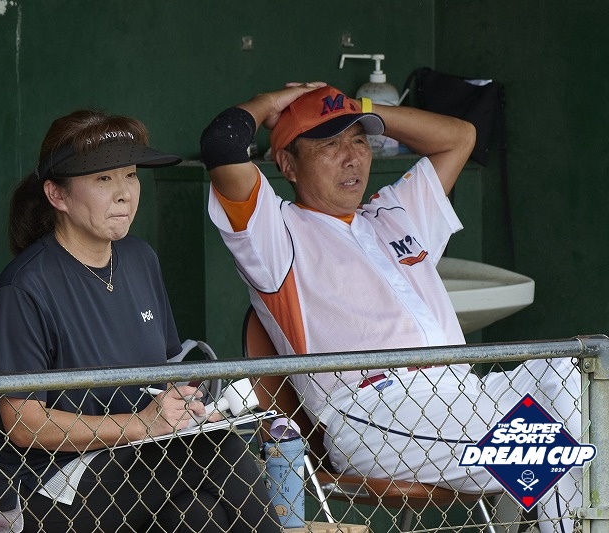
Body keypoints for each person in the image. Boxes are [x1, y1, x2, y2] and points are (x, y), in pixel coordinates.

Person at [201, 82, 582, 533]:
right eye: (329, 145)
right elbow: (222, 142)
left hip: (462, 394)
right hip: (372, 411)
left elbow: (461, 136)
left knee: (574, 377)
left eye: (359, 140)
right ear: (287, 163)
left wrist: (358, 106)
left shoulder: (393, 214)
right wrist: (272, 104)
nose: (351, 157)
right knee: (554, 449)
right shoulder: (276, 234)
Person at [0, 109, 280, 533]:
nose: (124, 193)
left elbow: (165, 376)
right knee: (219, 451)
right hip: (50, 489)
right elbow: (23, 423)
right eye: (103, 179)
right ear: (57, 195)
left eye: (130, 175)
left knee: (197, 515)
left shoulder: (140, 259)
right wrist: (141, 424)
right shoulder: (25, 286)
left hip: (138, 463)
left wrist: (189, 409)